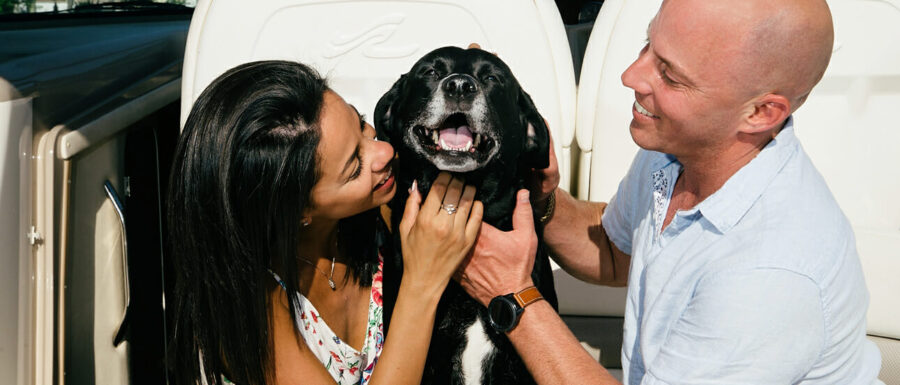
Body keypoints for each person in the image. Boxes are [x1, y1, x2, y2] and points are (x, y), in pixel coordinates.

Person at [457, 0, 884, 383]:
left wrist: (511, 293)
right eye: (648, 45)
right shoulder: (683, 150)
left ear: (760, 112)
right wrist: (537, 193)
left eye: (670, 75)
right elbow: (613, 251)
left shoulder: (770, 275)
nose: (631, 76)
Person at [167, 60, 483, 385]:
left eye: (360, 124)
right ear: (296, 213)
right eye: (354, 167)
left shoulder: (377, 208)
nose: (384, 151)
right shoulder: (247, 315)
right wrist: (422, 282)